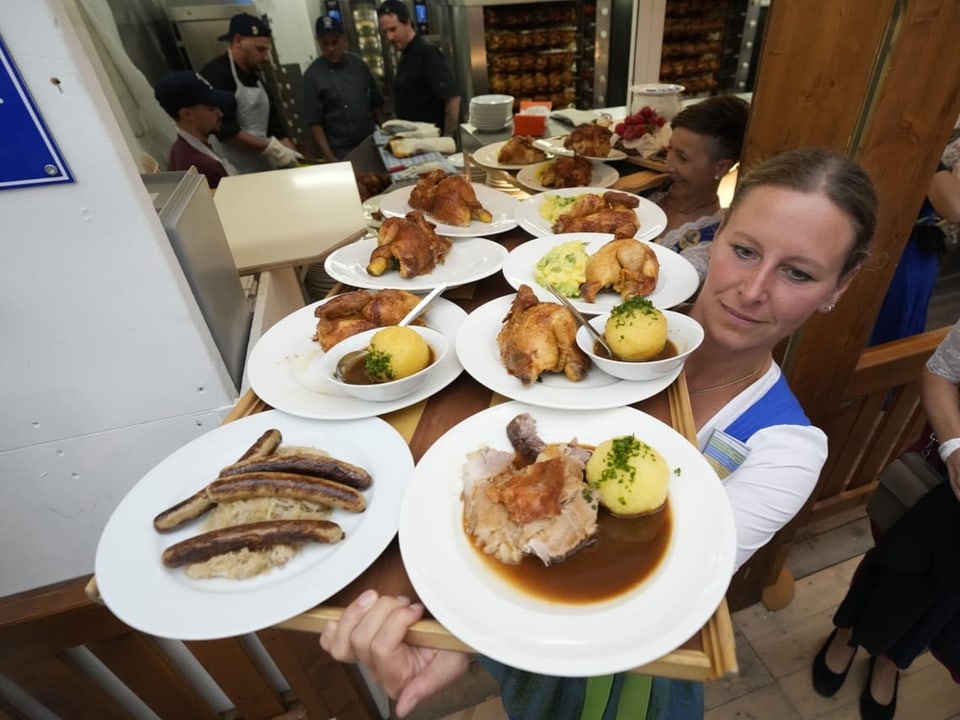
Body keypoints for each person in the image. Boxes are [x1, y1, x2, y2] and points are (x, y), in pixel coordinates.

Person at [319, 148, 879, 719]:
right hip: (527, 652)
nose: (754, 289)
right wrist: (452, 634)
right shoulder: (594, 334)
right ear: (719, 234)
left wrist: (469, 635)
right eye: (744, 250)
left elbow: (664, 596)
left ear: (840, 286)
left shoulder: (786, 449)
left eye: (798, 273)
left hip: (638, 685)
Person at [812, 321, 960, 720]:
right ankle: (846, 633)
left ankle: (892, 661)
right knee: (893, 562)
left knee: (947, 599)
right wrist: (955, 449)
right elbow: (941, 371)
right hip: (944, 481)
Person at [869, 123, 960, 345]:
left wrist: (931, 162)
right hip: (886, 252)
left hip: (908, 252)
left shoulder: (928, 148)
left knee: (895, 329)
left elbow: (955, 209)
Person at [648, 94, 750, 280]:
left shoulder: (707, 247)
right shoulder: (646, 189)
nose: (668, 164)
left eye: (682, 157)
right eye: (670, 149)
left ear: (721, 167)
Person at [200, 12, 301, 173]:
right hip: (234, 168)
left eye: (267, 50)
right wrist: (270, 148)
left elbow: (275, 128)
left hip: (262, 164)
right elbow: (226, 131)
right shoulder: (216, 75)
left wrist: (296, 160)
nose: (265, 57)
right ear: (238, 41)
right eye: (260, 49)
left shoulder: (256, 78)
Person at [303, 15, 386, 161]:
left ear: (344, 39)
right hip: (340, 150)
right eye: (325, 44)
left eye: (335, 42)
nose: (331, 49)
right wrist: (328, 155)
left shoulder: (359, 65)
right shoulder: (312, 75)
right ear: (318, 42)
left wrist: (386, 135)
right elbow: (315, 123)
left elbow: (376, 104)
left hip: (370, 142)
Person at [376, 0, 460, 137]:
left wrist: (447, 138)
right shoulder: (405, 54)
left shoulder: (427, 53)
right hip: (414, 141)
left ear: (407, 23)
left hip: (431, 141)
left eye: (393, 29)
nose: (389, 37)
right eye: (385, 32)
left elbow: (453, 98)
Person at [154, 71, 237, 189]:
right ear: (187, 114)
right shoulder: (204, 167)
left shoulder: (178, 150)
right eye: (211, 108)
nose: (221, 113)